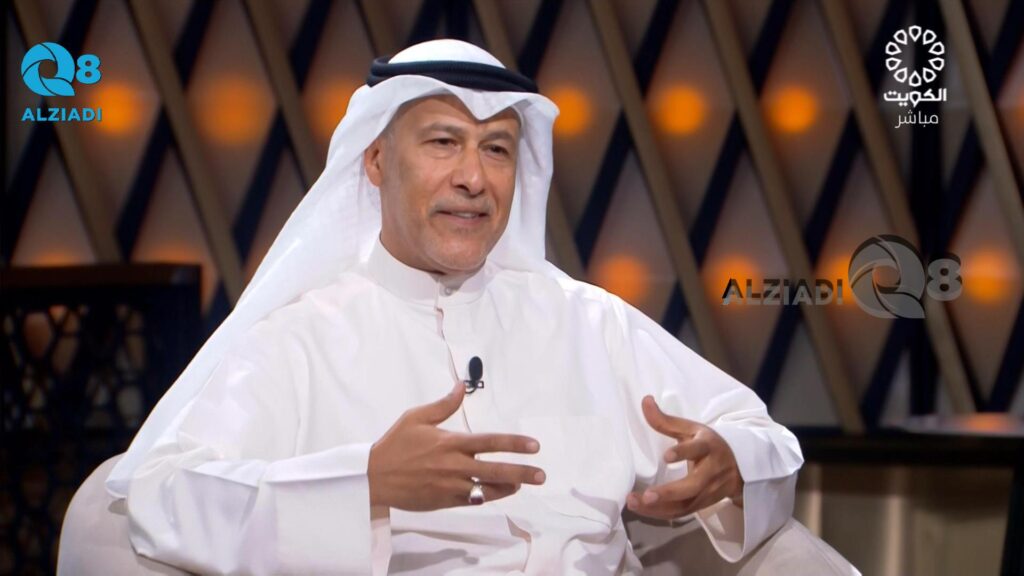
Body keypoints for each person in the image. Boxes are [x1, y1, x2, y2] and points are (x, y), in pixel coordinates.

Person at [106, 39, 803, 575]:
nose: (473, 177)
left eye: (496, 149)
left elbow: (753, 430)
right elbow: (165, 493)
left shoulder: (588, 321)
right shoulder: (299, 338)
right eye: (443, 142)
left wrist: (733, 463)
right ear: (376, 161)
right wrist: (364, 484)